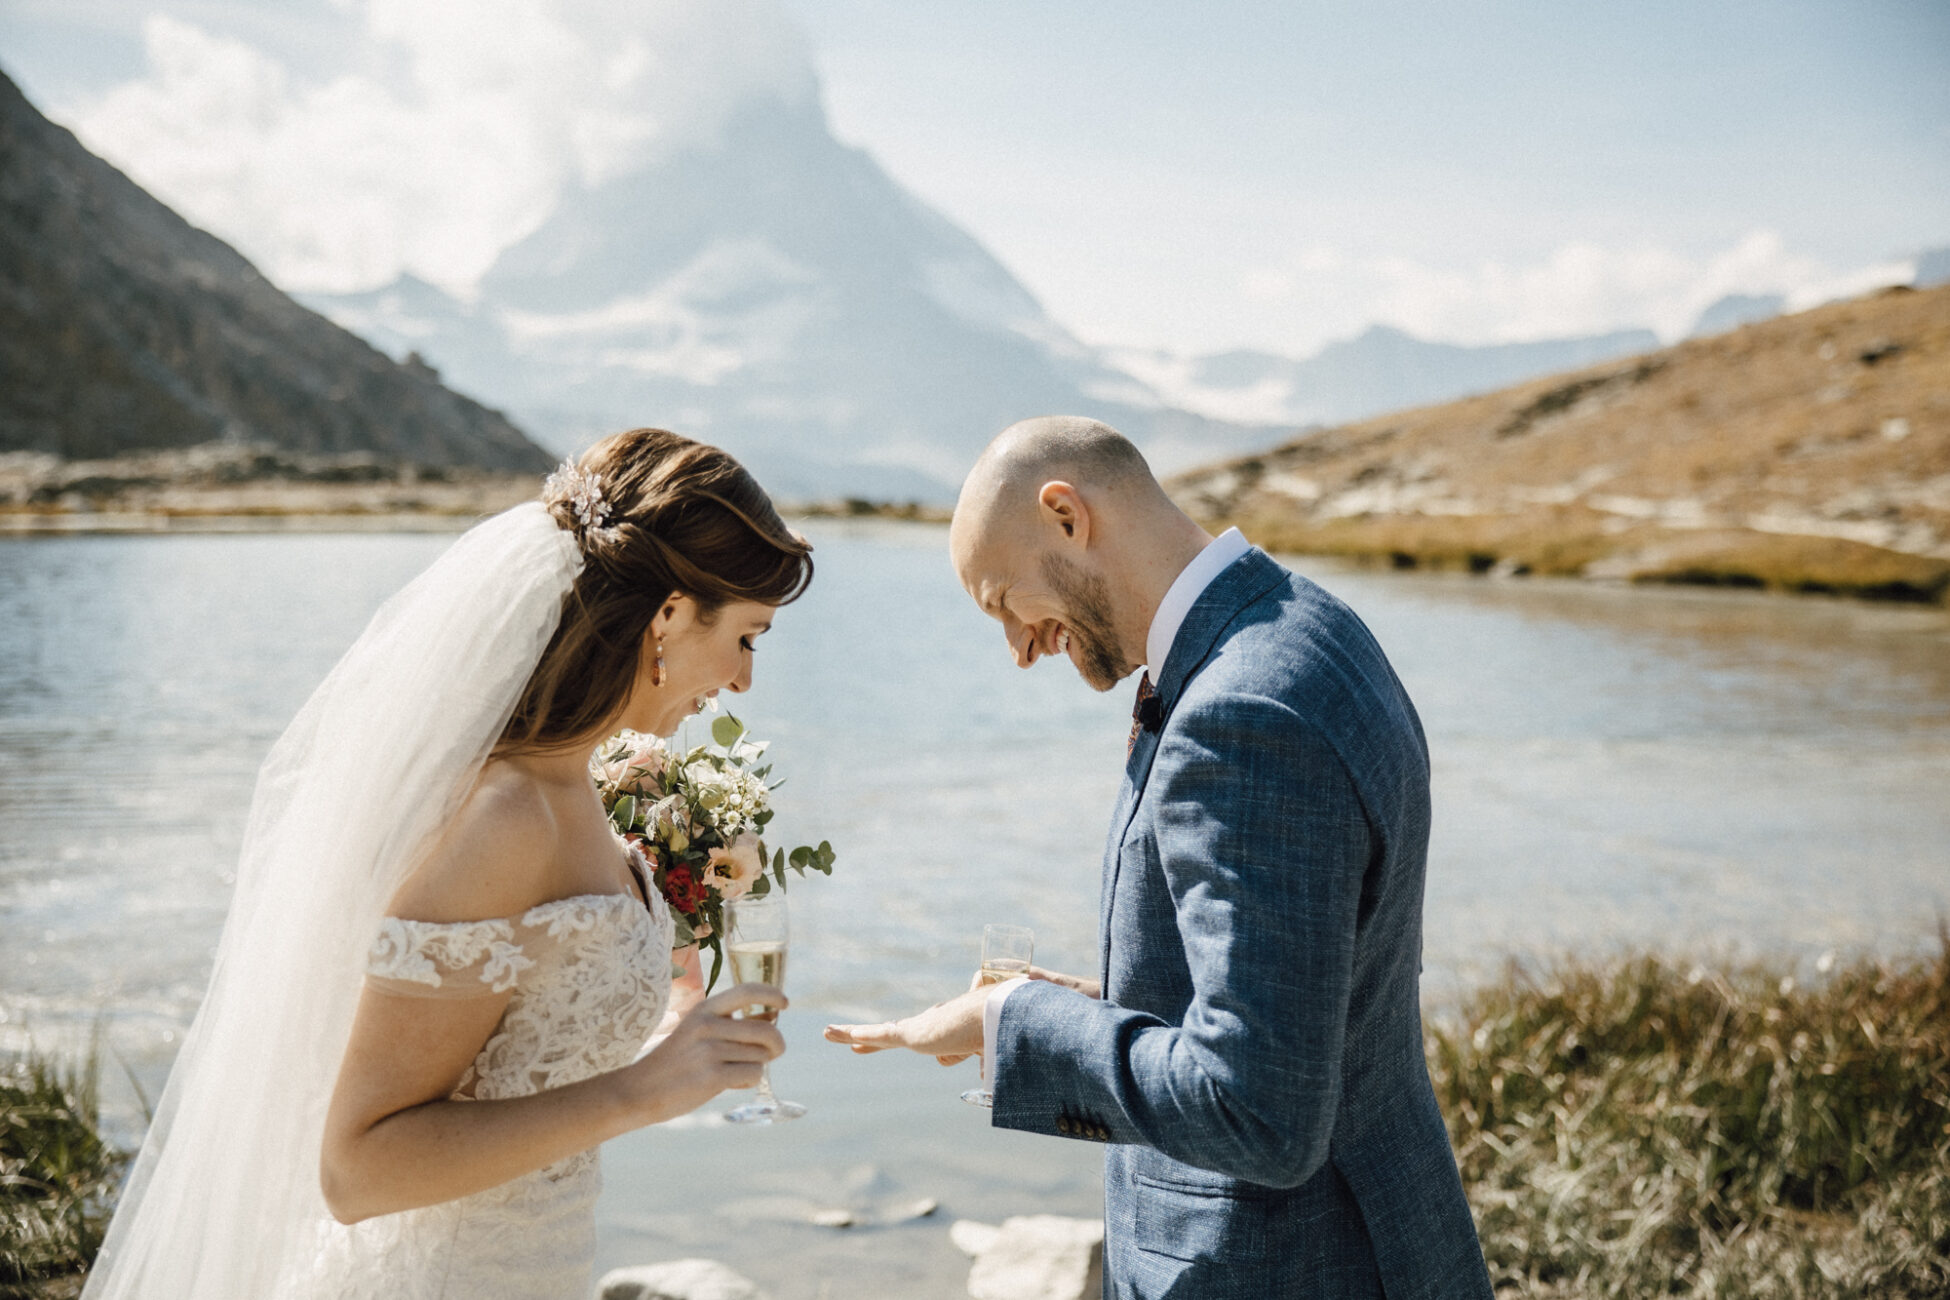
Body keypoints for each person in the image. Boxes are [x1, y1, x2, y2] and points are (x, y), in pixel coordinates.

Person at [82, 428, 812, 1300]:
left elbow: (515, 1040)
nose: (743, 682)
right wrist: (642, 1090)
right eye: (747, 638)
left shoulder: (570, 784)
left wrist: (658, 997)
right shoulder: (504, 815)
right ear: (667, 615)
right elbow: (358, 1170)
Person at [826, 417, 1493, 1298]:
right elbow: (1306, 999)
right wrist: (1112, 1006)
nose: (1020, 650)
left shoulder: (1240, 716)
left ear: (1066, 516)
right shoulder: (1312, 628)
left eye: (1003, 602)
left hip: (1285, 1265)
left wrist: (1017, 1026)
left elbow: (1260, 1111)